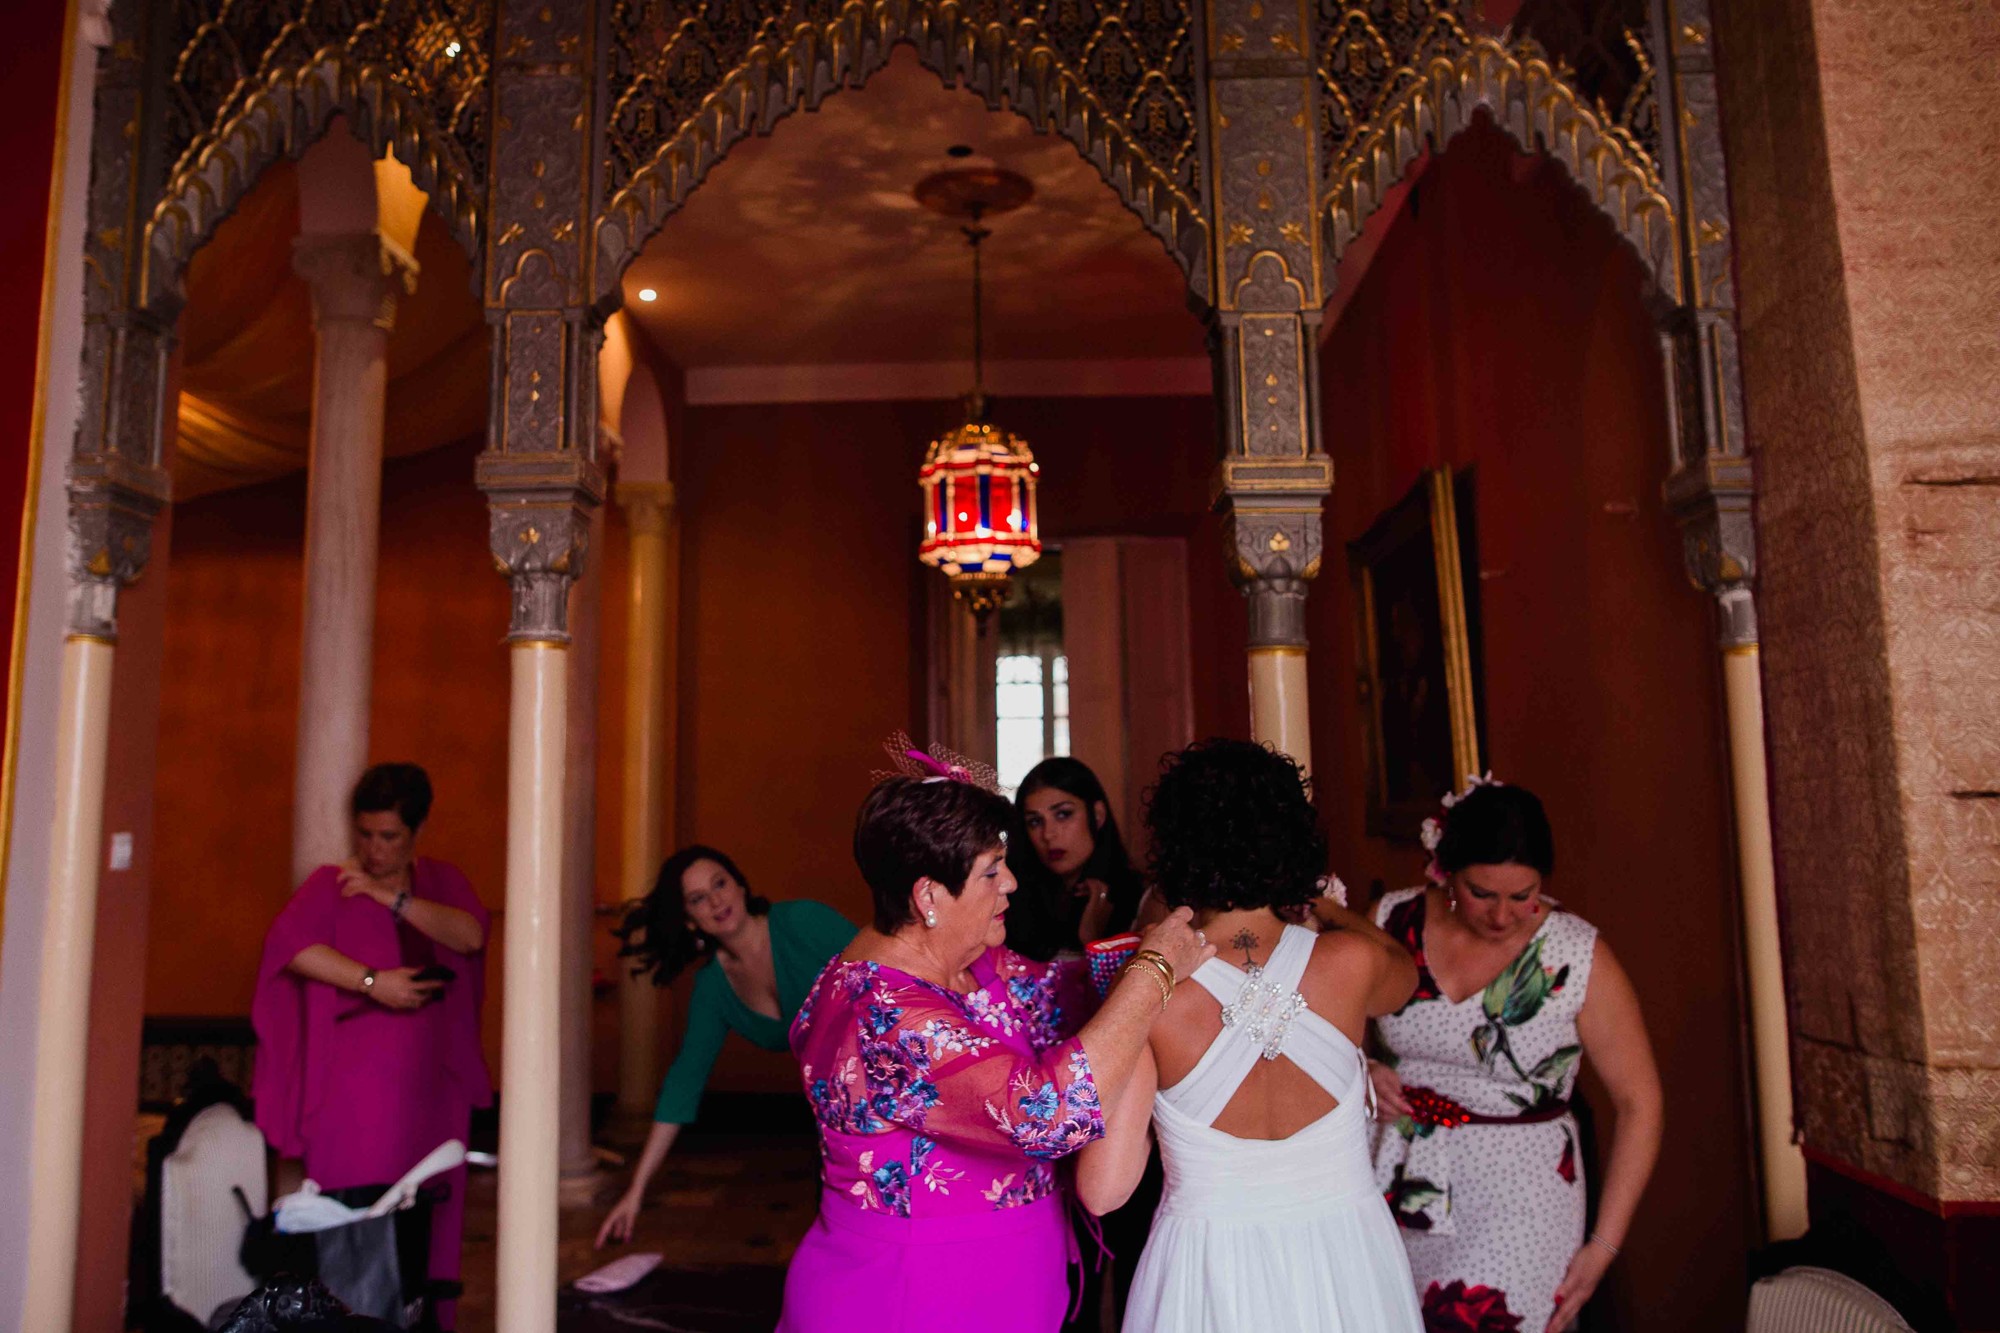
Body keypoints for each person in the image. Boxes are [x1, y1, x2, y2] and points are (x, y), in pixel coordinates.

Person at [775, 743, 1213, 1333]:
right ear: (928, 896)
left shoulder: (975, 961)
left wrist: (1139, 950)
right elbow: (1044, 1113)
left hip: (1008, 1279)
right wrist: (1154, 971)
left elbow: (1061, 992)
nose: (1010, 881)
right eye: (990, 870)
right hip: (914, 1293)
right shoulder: (882, 1014)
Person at [1075, 738, 1423, 1332]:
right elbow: (1406, 974)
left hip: (1208, 1268)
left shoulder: (1150, 994)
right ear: (1293, 842)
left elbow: (1104, 1191)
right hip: (1348, 1260)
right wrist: (1322, 905)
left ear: (1174, 847)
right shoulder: (1355, 963)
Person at [1369, 780, 1663, 1333]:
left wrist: (1603, 1245)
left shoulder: (1576, 953)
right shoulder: (1390, 922)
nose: (1503, 916)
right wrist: (1363, 1067)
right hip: (1392, 1178)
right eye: (1482, 893)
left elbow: (1639, 1100)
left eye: (1523, 895)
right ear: (1445, 871)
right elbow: (1323, 1031)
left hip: (1521, 1202)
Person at [251, 764, 490, 1330]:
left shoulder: (440, 880)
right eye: (366, 834)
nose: (375, 848)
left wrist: (390, 897)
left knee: (430, 1218)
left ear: (417, 833)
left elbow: (470, 935)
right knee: (356, 1221)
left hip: (433, 1080)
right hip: (356, 1081)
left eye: (390, 837)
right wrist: (372, 982)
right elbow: (289, 948)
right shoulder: (330, 882)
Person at [597, 846, 857, 1247]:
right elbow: (684, 1081)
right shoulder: (714, 988)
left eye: (719, 884)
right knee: (842, 1235)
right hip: (835, 1115)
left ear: (739, 884)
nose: (716, 900)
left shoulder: (802, 921)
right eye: (698, 898)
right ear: (689, 919)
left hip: (896, 1084)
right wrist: (637, 1190)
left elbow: (890, 975)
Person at [1006, 757, 1146, 963]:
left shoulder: (1139, 898)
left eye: (1063, 814)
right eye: (1035, 821)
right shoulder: (1011, 898)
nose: (1048, 834)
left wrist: (1096, 938)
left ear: (1097, 815)